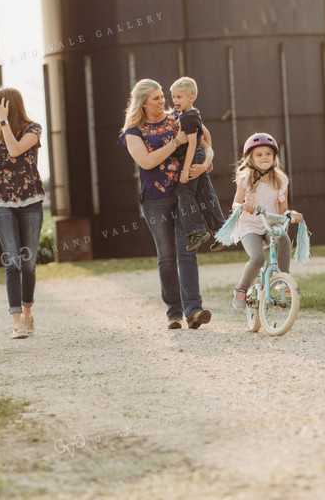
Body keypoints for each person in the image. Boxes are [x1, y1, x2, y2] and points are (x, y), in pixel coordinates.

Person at [119, 79, 214, 330]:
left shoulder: (178, 118)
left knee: (188, 250)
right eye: (156, 98)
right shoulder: (133, 132)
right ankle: (174, 312)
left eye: (163, 96)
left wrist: (204, 163)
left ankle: (194, 310)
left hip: (184, 195)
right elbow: (147, 162)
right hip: (155, 200)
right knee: (167, 256)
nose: (163, 101)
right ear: (143, 103)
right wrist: (177, 142)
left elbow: (205, 138)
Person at [0, 87, 46, 340]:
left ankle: (28, 315)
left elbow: (15, 150)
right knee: (12, 260)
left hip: (31, 202)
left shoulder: (33, 129)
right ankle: (16, 322)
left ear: (8, 105)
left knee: (28, 263)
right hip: (1, 203)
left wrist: (4, 122)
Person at [229, 133, 303, 310]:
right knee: (257, 258)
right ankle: (241, 289)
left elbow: (283, 209)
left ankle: (284, 279)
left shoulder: (281, 180)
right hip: (250, 226)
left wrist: (291, 213)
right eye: (259, 154)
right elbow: (235, 204)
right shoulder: (245, 179)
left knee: (283, 239)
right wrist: (243, 206)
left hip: (270, 225)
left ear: (274, 157)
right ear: (250, 158)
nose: (264, 157)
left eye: (268, 154)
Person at [170, 77, 227, 252]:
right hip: (197, 157)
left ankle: (196, 231)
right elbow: (206, 136)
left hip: (192, 156)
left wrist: (186, 169)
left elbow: (193, 143)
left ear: (191, 97)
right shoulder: (193, 113)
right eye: (173, 97)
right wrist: (206, 160)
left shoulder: (187, 117)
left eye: (179, 97)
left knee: (183, 191)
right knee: (206, 194)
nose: (175, 101)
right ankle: (221, 232)